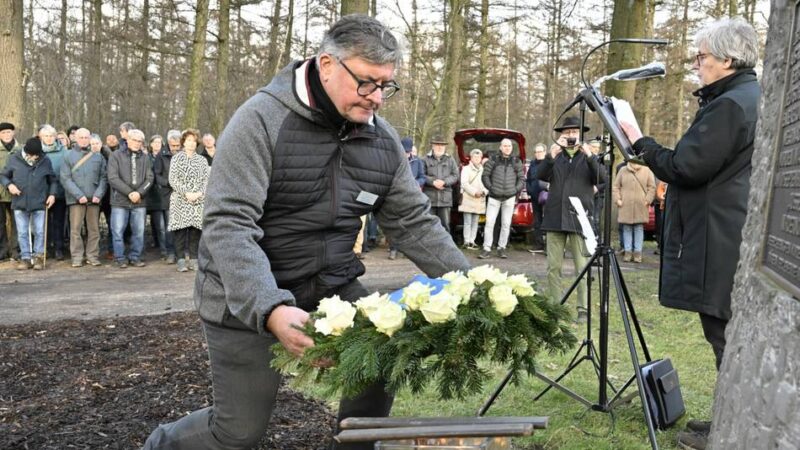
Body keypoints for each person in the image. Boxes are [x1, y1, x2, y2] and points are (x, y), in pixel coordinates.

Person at [142, 14, 470, 450]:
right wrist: (271, 308)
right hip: (247, 296)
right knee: (237, 432)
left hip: (332, 285)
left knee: (379, 365)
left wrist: (472, 284)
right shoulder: (259, 121)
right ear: (327, 64)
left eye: (386, 86)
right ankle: (160, 445)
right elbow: (228, 226)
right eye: (367, 83)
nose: (376, 98)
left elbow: (412, 221)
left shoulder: (383, 141)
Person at [620, 17, 760, 450]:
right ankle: (729, 419)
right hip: (727, 227)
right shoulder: (744, 97)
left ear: (728, 59)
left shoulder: (731, 104)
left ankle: (735, 431)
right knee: (728, 334)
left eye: (701, 56)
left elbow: (686, 166)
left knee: (726, 335)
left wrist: (641, 142)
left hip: (720, 233)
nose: (696, 64)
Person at [535, 116, 605, 323]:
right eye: (567, 133)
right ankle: (556, 307)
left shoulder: (588, 157)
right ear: (561, 136)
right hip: (555, 217)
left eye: (575, 133)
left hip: (579, 218)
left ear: (580, 135)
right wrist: (550, 155)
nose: (571, 136)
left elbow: (603, 179)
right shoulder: (555, 157)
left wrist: (591, 156)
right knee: (553, 267)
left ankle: (582, 308)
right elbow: (540, 176)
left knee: (581, 267)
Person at [0, 137, 57, 270]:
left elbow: (53, 180)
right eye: (33, 155)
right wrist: (9, 185)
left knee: (39, 231)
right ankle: (25, 258)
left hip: (40, 202)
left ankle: (38, 257)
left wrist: (52, 194)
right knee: (22, 232)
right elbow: (3, 176)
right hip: (20, 202)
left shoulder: (45, 160)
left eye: (37, 155)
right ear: (26, 152)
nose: (35, 157)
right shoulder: (14, 158)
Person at [107, 128, 153, 268]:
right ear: (127, 140)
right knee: (117, 231)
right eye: (134, 140)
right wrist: (129, 193)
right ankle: (120, 258)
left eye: (140, 141)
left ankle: (135, 257)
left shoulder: (145, 157)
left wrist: (139, 193)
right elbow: (113, 178)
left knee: (139, 231)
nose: (137, 143)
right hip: (119, 200)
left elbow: (150, 178)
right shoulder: (115, 155)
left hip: (140, 201)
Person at [61, 130, 107, 267]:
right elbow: (65, 178)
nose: (84, 140)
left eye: (86, 137)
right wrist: (78, 195)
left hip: (94, 200)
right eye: (81, 137)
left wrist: (98, 195)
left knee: (94, 230)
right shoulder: (68, 156)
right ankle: (77, 257)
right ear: (75, 138)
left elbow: (104, 178)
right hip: (75, 200)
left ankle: (92, 256)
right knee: (75, 230)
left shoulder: (98, 157)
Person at [168, 129, 209, 272]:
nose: (191, 143)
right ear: (183, 142)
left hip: (198, 200)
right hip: (180, 199)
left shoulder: (202, 160)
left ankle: (193, 259)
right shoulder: (176, 158)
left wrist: (198, 194)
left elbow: (206, 180)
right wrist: (186, 193)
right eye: (188, 140)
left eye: (193, 141)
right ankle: (180, 260)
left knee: (195, 232)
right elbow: (173, 179)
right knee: (180, 232)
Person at [479, 138, 523, 259]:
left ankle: (501, 248)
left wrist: (514, 190)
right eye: (505, 146)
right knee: (489, 223)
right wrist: (491, 188)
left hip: (509, 197)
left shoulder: (516, 161)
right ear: (500, 147)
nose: (507, 148)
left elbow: (521, 179)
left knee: (506, 224)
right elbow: (485, 176)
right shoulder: (493, 159)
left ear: (511, 148)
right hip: (494, 197)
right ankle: (486, 248)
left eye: (509, 146)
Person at [387, 137, 426, 259]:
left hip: (412, 195)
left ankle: (407, 250)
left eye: (408, 152)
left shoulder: (417, 162)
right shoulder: (393, 160)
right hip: (396, 195)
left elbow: (422, 177)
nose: (406, 154)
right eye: (404, 151)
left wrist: (417, 183)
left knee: (410, 223)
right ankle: (393, 249)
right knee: (396, 223)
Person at [612, 162, 655, 263]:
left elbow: (651, 187)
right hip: (625, 205)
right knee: (626, 228)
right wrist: (618, 200)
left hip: (641, 205)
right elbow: (615, 187)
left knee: (638, 228)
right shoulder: (622, 170)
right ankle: (627, 252)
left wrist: (647, 200)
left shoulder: (647, 170)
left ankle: (637, 253)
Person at [39, 124, 68, 261]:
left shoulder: (64, 151)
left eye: (51, 136)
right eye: (46, 136)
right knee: (43, 223)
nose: (49, 138)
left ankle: (58, 248)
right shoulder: (37, 151)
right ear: (41, 137)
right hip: (42, 193)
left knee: (58, 222)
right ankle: (45, 248)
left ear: (55, 137)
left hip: (60, 192)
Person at [154, 129, 181, 264]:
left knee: (184, 225)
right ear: (168, 143)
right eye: (173, 146)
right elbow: (157, 175)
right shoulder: (161, 155)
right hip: (168, 194)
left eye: (178, 146)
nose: (175, 148)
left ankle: (182, 252)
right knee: (170, 226)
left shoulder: (185, 154)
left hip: (184, 194)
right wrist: (168, 183)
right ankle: (170, 252)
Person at [422, 135, 459, 233]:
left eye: (442, 145)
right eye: (437, 145)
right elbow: (421, 175)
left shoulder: (450, 160)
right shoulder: (425, 159)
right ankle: (429, 246)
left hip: (445, 199)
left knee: (445, 225)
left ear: (445, 147)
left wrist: (444, 182)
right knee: (428, 225)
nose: (439, 147)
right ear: (432, 146)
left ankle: (445, 247)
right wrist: (432, 182)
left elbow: (455, 175)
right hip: (430, 198)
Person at [0, 122, 23, 261]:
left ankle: (16, 250)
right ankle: (2, 250)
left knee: (17, 223)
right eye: (3, 133)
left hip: (17, 192)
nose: (6, 135)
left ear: (13, 133)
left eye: (9, 132)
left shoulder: (21, 150)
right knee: (0, 224)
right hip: (0, 193)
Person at [458, 149, 487, 250]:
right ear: (471, 158)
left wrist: (484, 192)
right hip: (468, 198)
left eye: (479, 157)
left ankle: (472, 241)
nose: (477, 159)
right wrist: (475, 192)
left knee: (475, 221)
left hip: (479, 199)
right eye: (475, 157)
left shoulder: (484, 170)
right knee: (467, 221)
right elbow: (464, 183)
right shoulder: (465, 169)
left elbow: (487, 183)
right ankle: (466, 241)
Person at [146, 135, 170, 260]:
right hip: (153, 195)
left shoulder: (166, 156)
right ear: (150, 144)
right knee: (159, 226)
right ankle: (163, 250)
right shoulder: (146, 158)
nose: (157, 144)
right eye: (154, 142)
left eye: (159, 142)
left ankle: (170, 249)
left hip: (166, 193)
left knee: (168, 225)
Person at [526, 143, 547, 253]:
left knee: (548, 220)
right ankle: (539, 244)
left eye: (540, 152)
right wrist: (529, 190)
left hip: (546, 196)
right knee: (537, 220)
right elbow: (528, 178)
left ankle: (548, 245)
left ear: (544, 152)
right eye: (536, 152)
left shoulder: (549, 162)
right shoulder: (533, 164)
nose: (537, 154)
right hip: (534, 196)